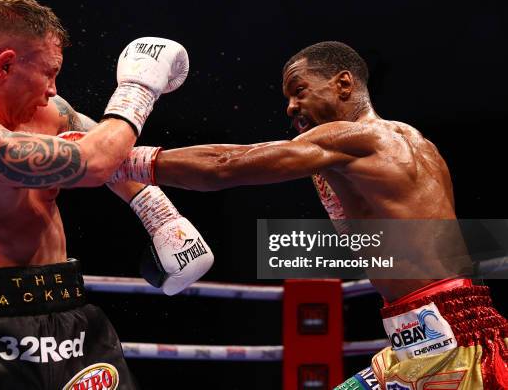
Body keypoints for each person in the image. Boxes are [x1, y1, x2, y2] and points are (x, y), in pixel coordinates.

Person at [110, 41, 508, 388]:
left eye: (299, 91)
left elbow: (228, 163)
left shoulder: (356, 139)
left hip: (451, 351)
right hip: (434, 338)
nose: (291, 107)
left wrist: (123, 162)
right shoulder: (416, 143)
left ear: (344, 84)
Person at [0, 0, 213, 389]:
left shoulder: (51, 113)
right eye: (48, 72)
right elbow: (94, 162)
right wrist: (139, 91)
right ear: (6, 64)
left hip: (72, 315)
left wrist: (160, 217)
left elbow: (118, 157)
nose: (54, 89)